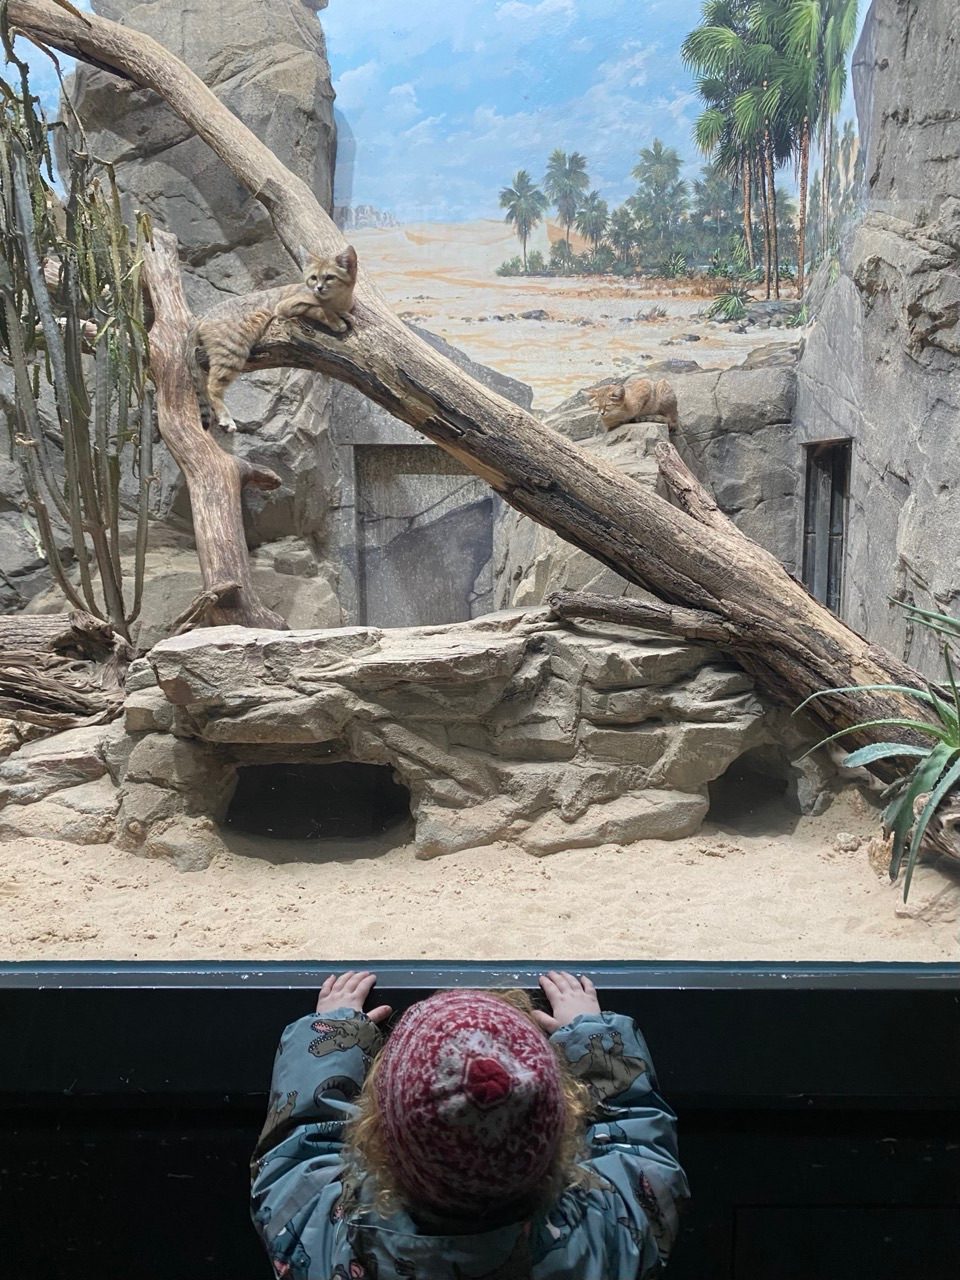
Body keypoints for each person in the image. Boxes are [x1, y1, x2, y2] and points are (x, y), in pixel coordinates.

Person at [251, 969, 689, 1278]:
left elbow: (297, 1151)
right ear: (561, 1126)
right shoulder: (609, 1236)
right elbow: (641, 1145)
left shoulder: (332, 1238)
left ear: (377, 1132)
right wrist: (593, 1037)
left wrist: (332, 1036)